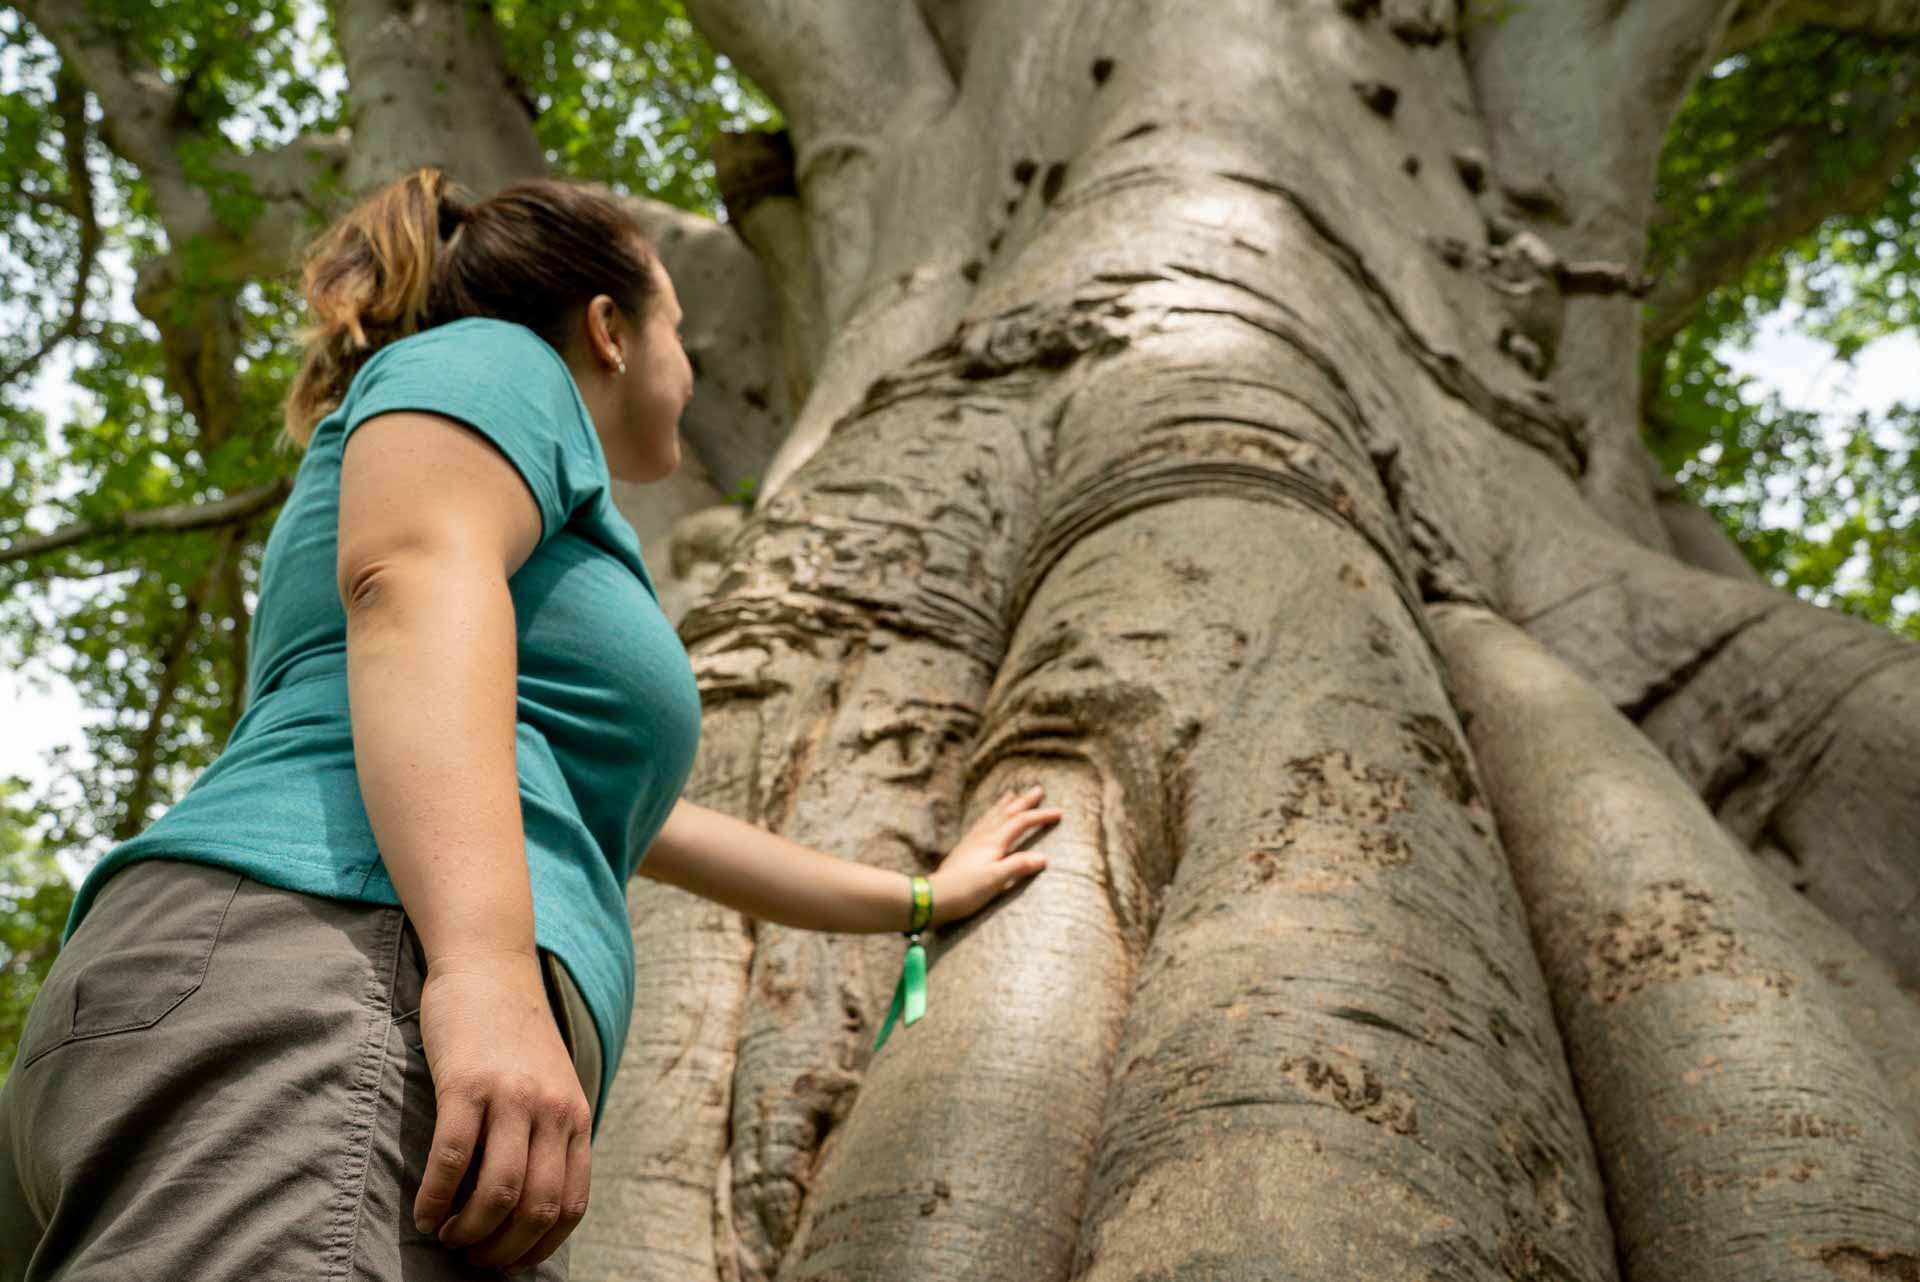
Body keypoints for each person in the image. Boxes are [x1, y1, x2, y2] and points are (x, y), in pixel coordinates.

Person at [0, 166, 1060, 1281]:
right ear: (609, 329)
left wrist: (923, 895)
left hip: (297, 995)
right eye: (681, 331)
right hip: (343, 975)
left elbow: (645, 825)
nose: (692, 369)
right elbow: (412, 578)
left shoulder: (512, 616)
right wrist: (490, 977)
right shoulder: (501, 361)